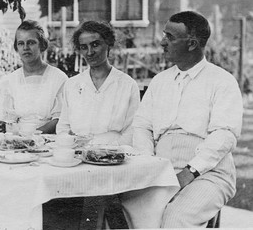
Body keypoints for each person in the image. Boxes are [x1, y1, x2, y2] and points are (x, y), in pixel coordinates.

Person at [132, 11, 243, 227]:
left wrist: (189, 172)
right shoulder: (160, 81)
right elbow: (142, 126)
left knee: (176, 218)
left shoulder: (222, 81)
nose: (162, 42)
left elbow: (224, 135)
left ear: (192, 44)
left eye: (170, 37)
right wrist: (149, 163)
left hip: (209, 173)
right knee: (129, 212)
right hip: (162, 169)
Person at [56, 21, 140, 145]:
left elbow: (132, 131)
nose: (89, 52)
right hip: (77, 154)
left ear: (109, 44)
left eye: (95, 45)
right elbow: (63, 128)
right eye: (84, 47)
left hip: (113, 155)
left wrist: (103, 149)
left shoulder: (127, 85)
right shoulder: (71, 85)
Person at [0, 20, 67, 134]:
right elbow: (8, 119)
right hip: (18, 140)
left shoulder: (58, 78)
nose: (25, 48)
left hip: (49, 141)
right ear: (16, 47)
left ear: (42, 45)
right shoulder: (10, 80)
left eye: (31, 42)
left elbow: (60, 118)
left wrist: (33, 136)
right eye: (20, 43)